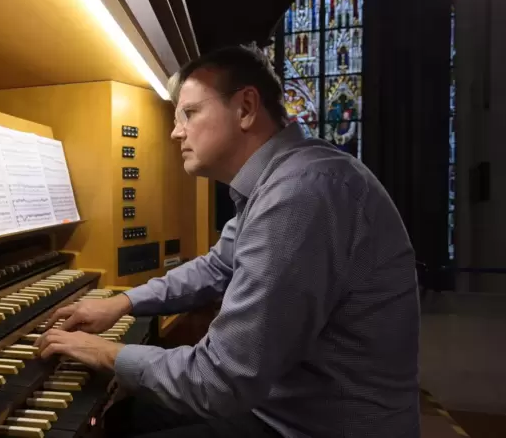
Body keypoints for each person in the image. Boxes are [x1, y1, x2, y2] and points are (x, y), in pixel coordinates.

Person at [35, 45, 420, 438]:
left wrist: (102, 351)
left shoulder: (300, 193)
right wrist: (124, 301)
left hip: (317, 425)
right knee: (124, 418)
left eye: (189, 113)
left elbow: (218, 380)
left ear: (246, 108)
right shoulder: (281, 180)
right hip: (285, 406)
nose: (174, 131)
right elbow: (218, 266)